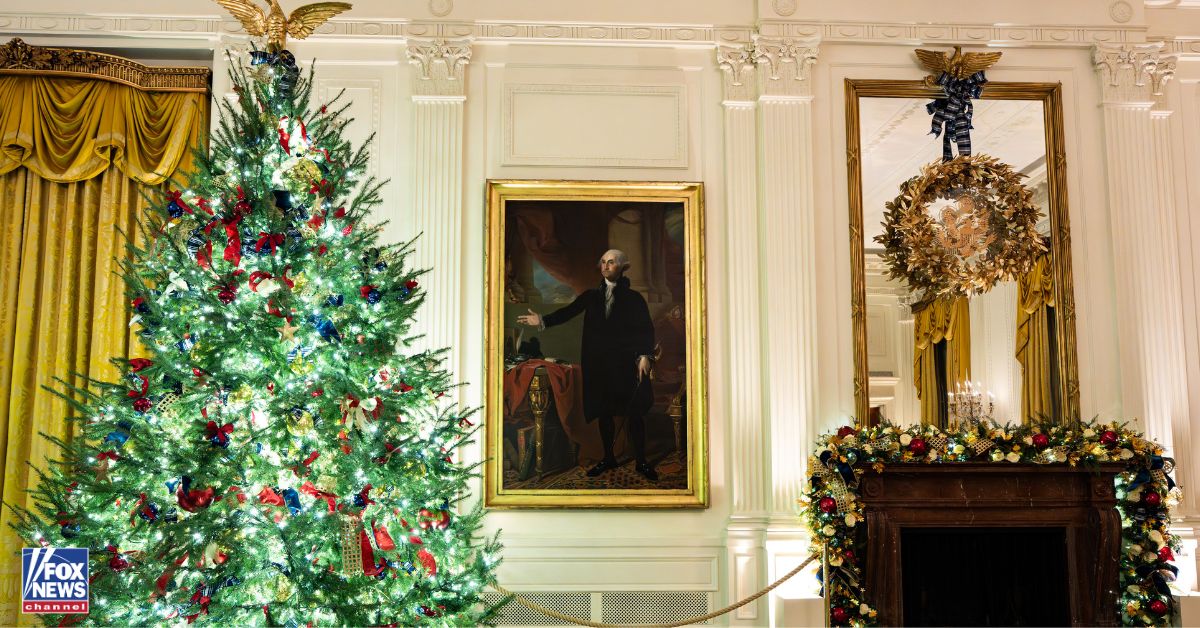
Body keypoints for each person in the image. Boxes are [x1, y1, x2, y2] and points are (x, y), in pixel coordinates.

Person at [517, 249, 658, 481]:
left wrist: (644, 356)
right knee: (604, 412)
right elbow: (568, 312)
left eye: (611, 262)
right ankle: (609, 457)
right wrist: (541, 320)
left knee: (634, 412)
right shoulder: (591, 296)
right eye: (603, 262)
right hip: (599, 365)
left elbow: (645, 329)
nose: (605, 266)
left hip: (626, 365)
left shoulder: (634, 299)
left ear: (623, 267)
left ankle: (641, 461)